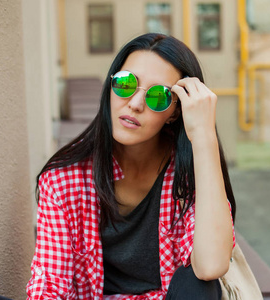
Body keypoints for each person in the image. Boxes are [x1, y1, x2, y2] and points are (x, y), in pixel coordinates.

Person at [26, 33, 236, 300]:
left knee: (198, 284)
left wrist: (204, 137)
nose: (135, 104)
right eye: (125, 84)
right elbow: (50, 288)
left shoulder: (188, 174)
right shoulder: (63, 180)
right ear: (110, 87)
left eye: (158, 96)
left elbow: (211, 267)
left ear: (175, 112)